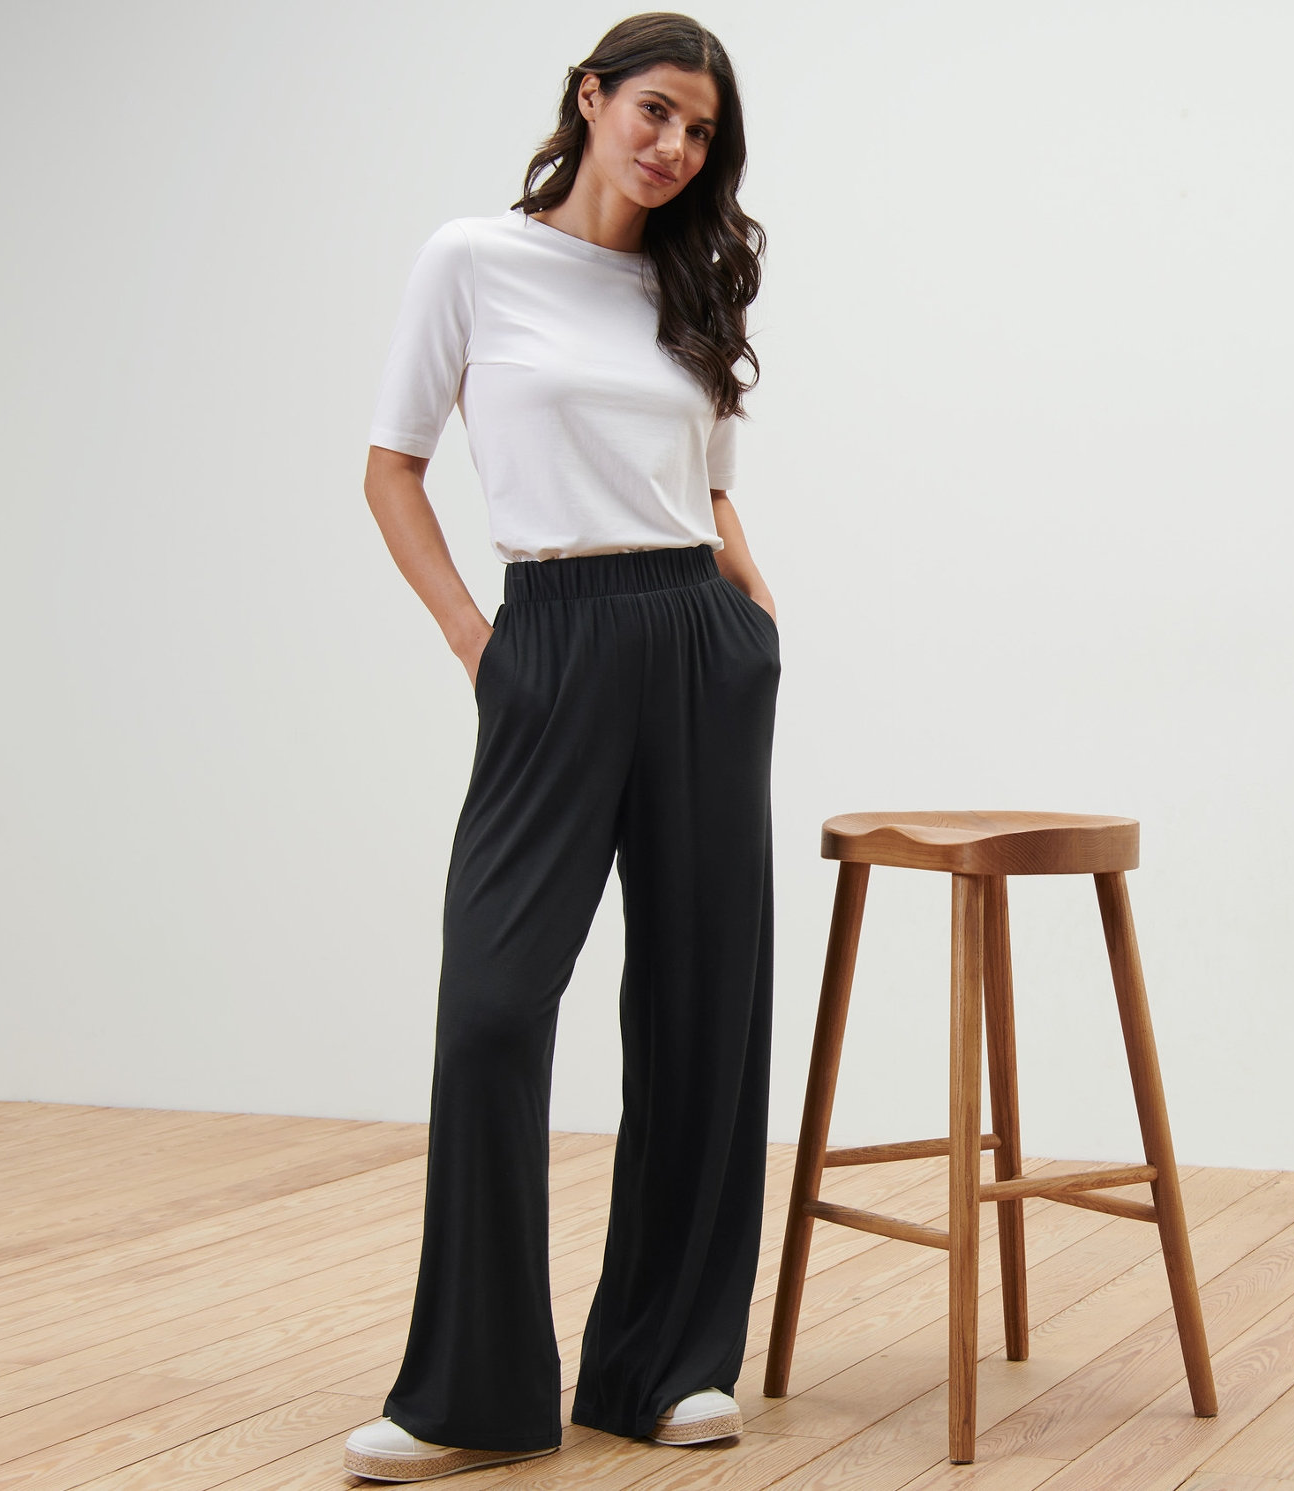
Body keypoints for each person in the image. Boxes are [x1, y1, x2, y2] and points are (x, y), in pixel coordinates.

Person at [340, 12, 779, 1484]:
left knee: (702, 1005)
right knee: (494, 1004)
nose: (674, 148)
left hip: (698, 642)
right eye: (655, 112)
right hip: (551, 636)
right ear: (590, 100)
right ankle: (472, 1391)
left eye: (700, 132)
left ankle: (667, 1364)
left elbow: (710, 489)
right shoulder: (473, 259)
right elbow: (391, 467)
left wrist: (755, 623)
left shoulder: (692, 283)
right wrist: (480, 641)